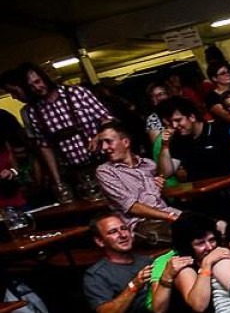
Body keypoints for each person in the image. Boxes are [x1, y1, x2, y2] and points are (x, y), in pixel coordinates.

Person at [17, 64, 111, 200]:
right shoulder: (34, 111)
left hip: (102, 162)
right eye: (31, 86)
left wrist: (99, 136)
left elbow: (107, 120)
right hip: (73, 172)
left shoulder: (76, 93)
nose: (37, 88)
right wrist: (58, 181)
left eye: (38, 81)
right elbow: (45, 147)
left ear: (45, 78)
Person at [155, 98, 230, 210]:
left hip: (228, 191)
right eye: (171, 122)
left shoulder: (218, 132)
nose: (174, 126)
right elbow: (166, 173)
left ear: (192, 117)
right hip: (200, 195)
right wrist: (165, 146)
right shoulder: (178, 139)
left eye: (178, 120)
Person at [93, 121, 181, 245]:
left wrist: (159, 185)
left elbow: (164, 176)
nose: (104, 148)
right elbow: (132, 207)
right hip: (142, 224)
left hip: (167, 214)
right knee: (189, 232)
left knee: (205, 223)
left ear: (126, 142)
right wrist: (169, 216)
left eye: (108, 141)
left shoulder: (148, 164)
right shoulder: (105, 171)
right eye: (101, 143)